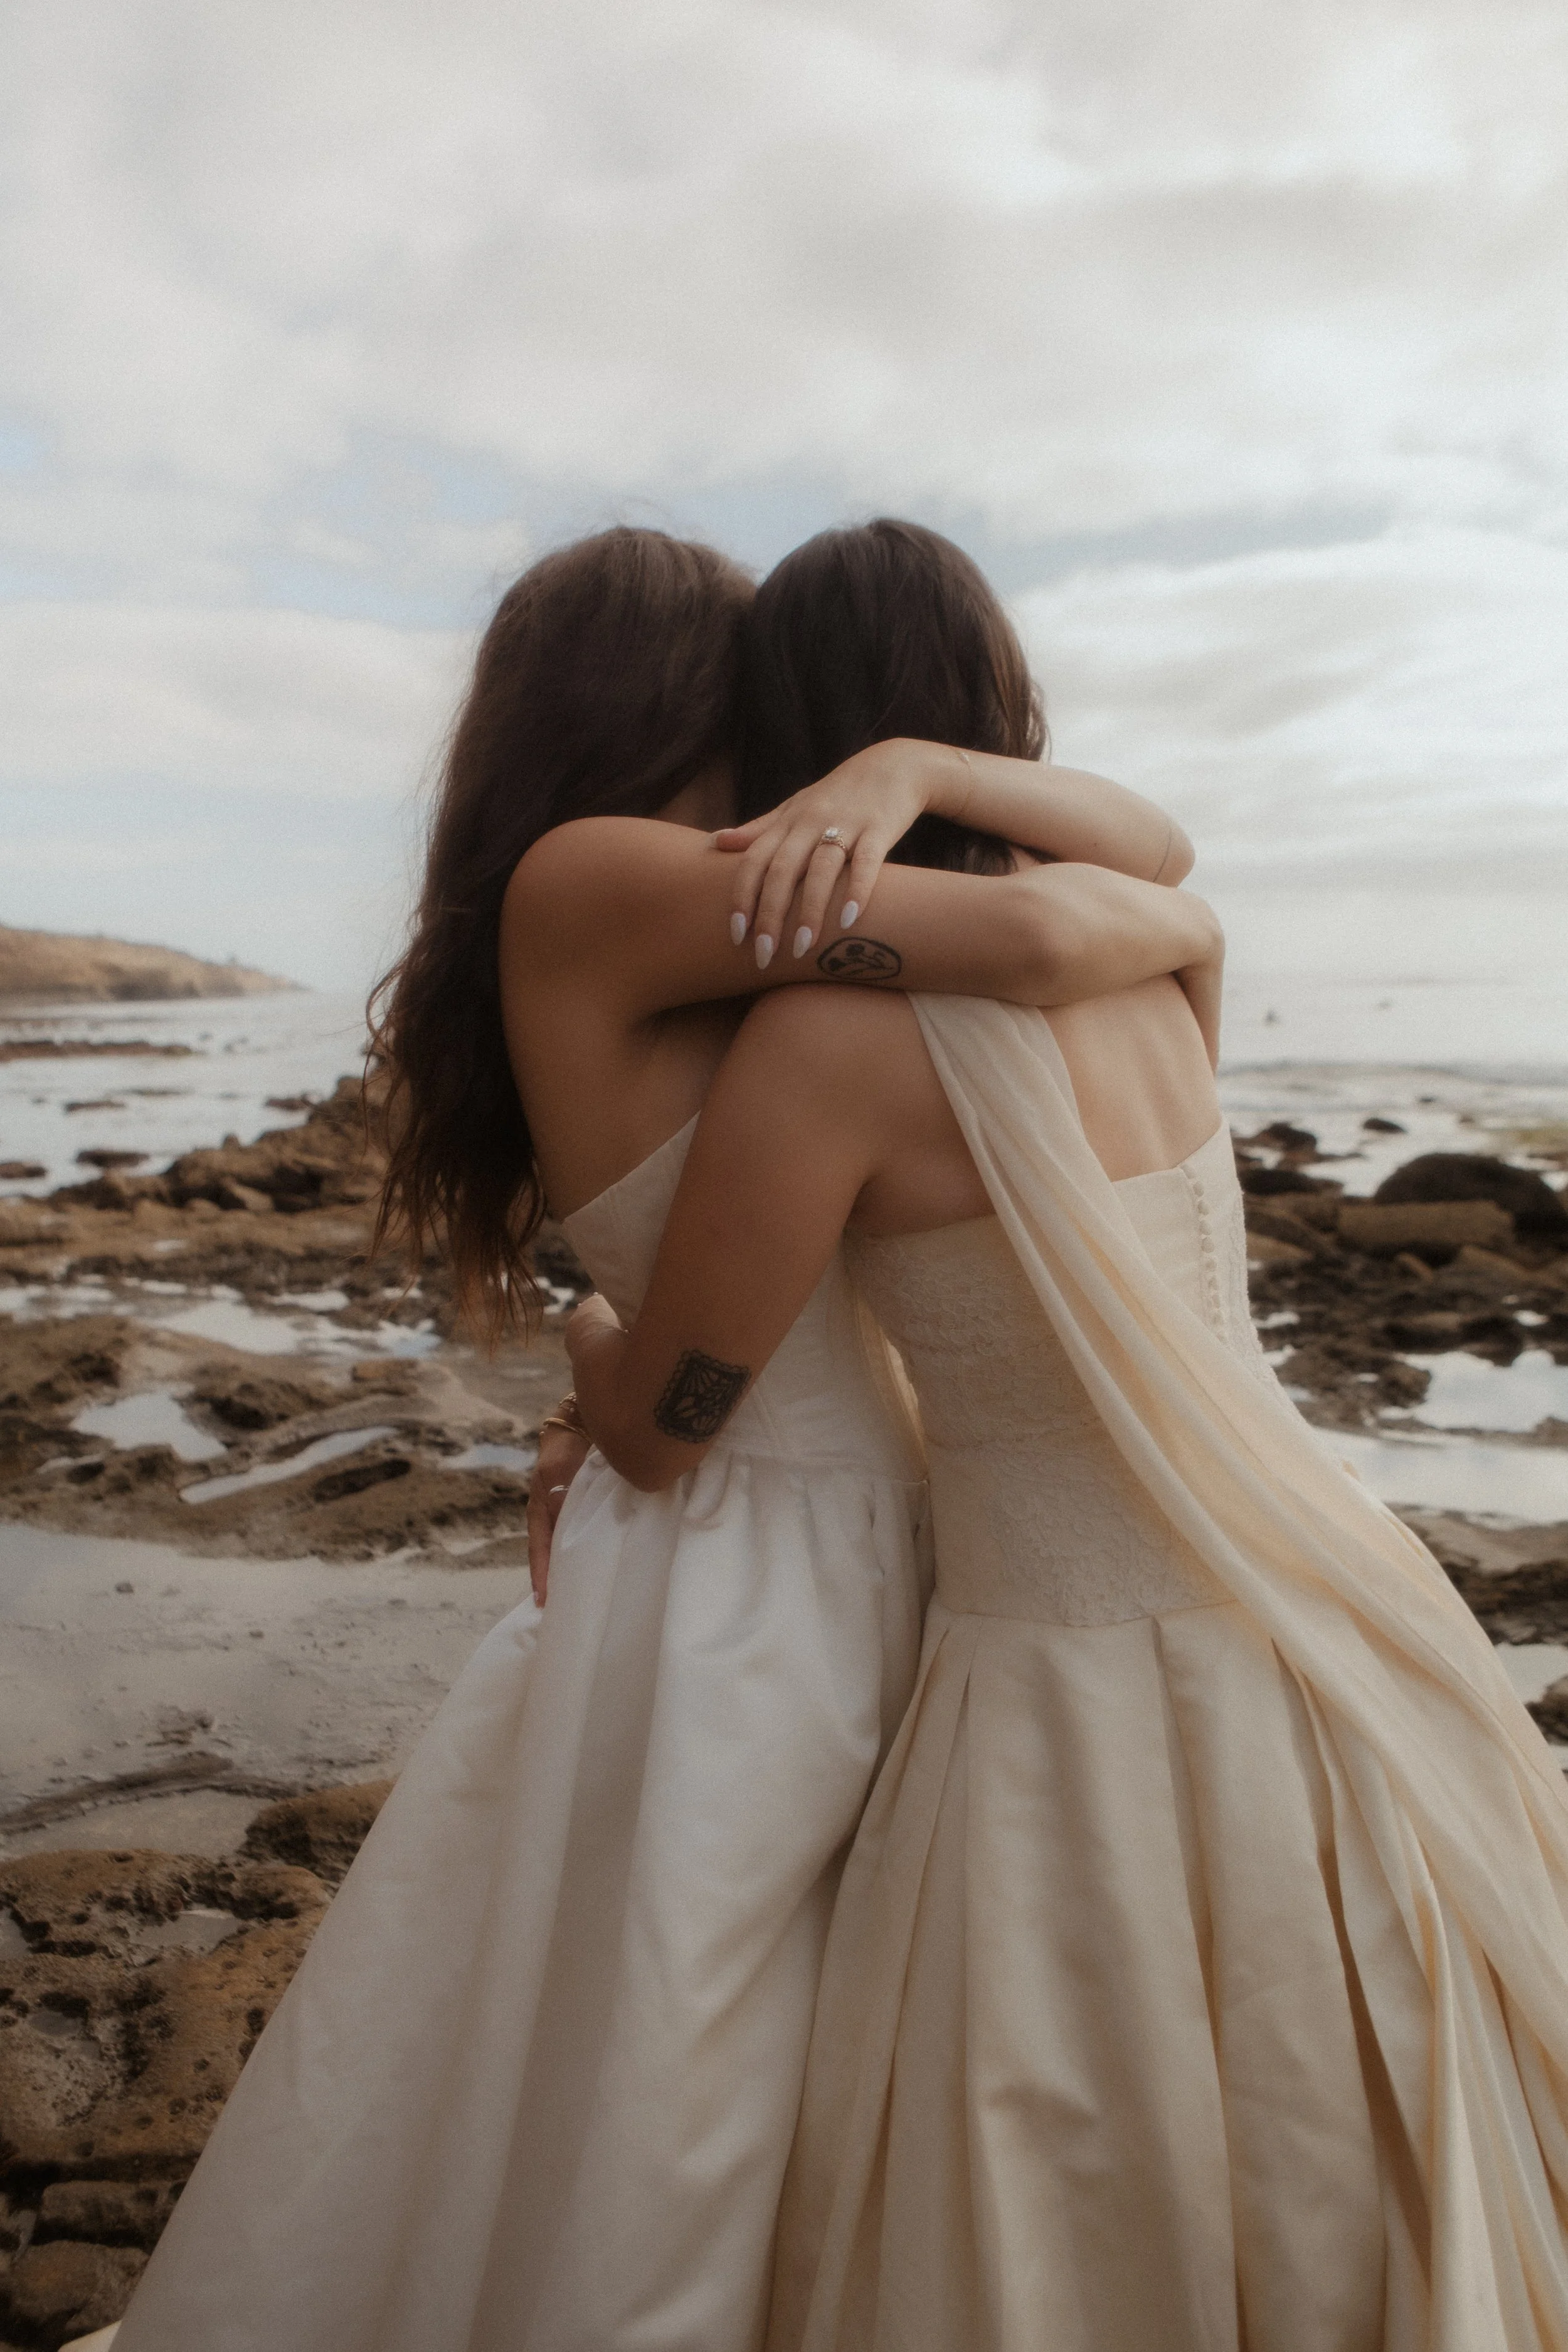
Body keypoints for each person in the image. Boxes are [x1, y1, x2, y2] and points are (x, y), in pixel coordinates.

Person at [93, 524, 1219, 2352]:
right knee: (694, 2093)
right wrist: (1178, 920)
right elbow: (1039, 920)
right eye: (741, 682)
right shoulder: (617, 872)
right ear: (673, 695)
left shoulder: (705, 912)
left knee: (755, 2070)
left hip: (841, 1542)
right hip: (753, 1575)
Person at [569, 522, 1568, 2351]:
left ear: (783, 741)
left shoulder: (818, 1045)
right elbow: (1154, 867)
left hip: (1052, 1686)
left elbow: (671, 1421)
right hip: (1324, 1617)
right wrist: (935, 772)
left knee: (1073, 2193)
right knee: (1333, 2120)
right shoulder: (1154, 969)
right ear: (1002, 710)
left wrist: (583, 1340)